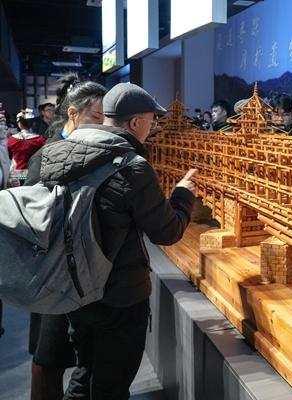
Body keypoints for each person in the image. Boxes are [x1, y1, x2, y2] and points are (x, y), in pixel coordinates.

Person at [37, 82, 196, 399]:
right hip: (119, 296)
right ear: (135, 122)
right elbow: (167, 231)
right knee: (111, 385)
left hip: (72, 288)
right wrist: (182, 196)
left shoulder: (59, 152)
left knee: (85, 372)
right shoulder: (132, 167)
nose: (153, 128)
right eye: (151, 121)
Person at [25, 74, 108, 400]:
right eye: (96, 117)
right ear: (73, 113)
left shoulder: (96, 151)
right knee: (49, 359)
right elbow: (33, 216)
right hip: (53, 274)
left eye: (105, 119)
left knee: (85, 358)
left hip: (85, 273)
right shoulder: (47, 155)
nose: (102, 125)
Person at [7, 109, 46, 185]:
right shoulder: (41, 139)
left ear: (19, 124)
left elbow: (9, 156)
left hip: (16, 175)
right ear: (32, 123)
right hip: (34, 174)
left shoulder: (11, 139)